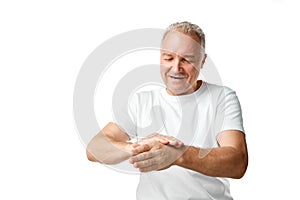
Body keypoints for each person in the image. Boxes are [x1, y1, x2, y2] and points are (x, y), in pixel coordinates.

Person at [86, 21, 248, 200]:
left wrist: (179, 155)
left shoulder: (221, 98)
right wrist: (139, 148)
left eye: (187, 59)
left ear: (202, 61)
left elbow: (237, 162)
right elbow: (94, 149)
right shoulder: (141, 101)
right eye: (168, 58)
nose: (176, 68)